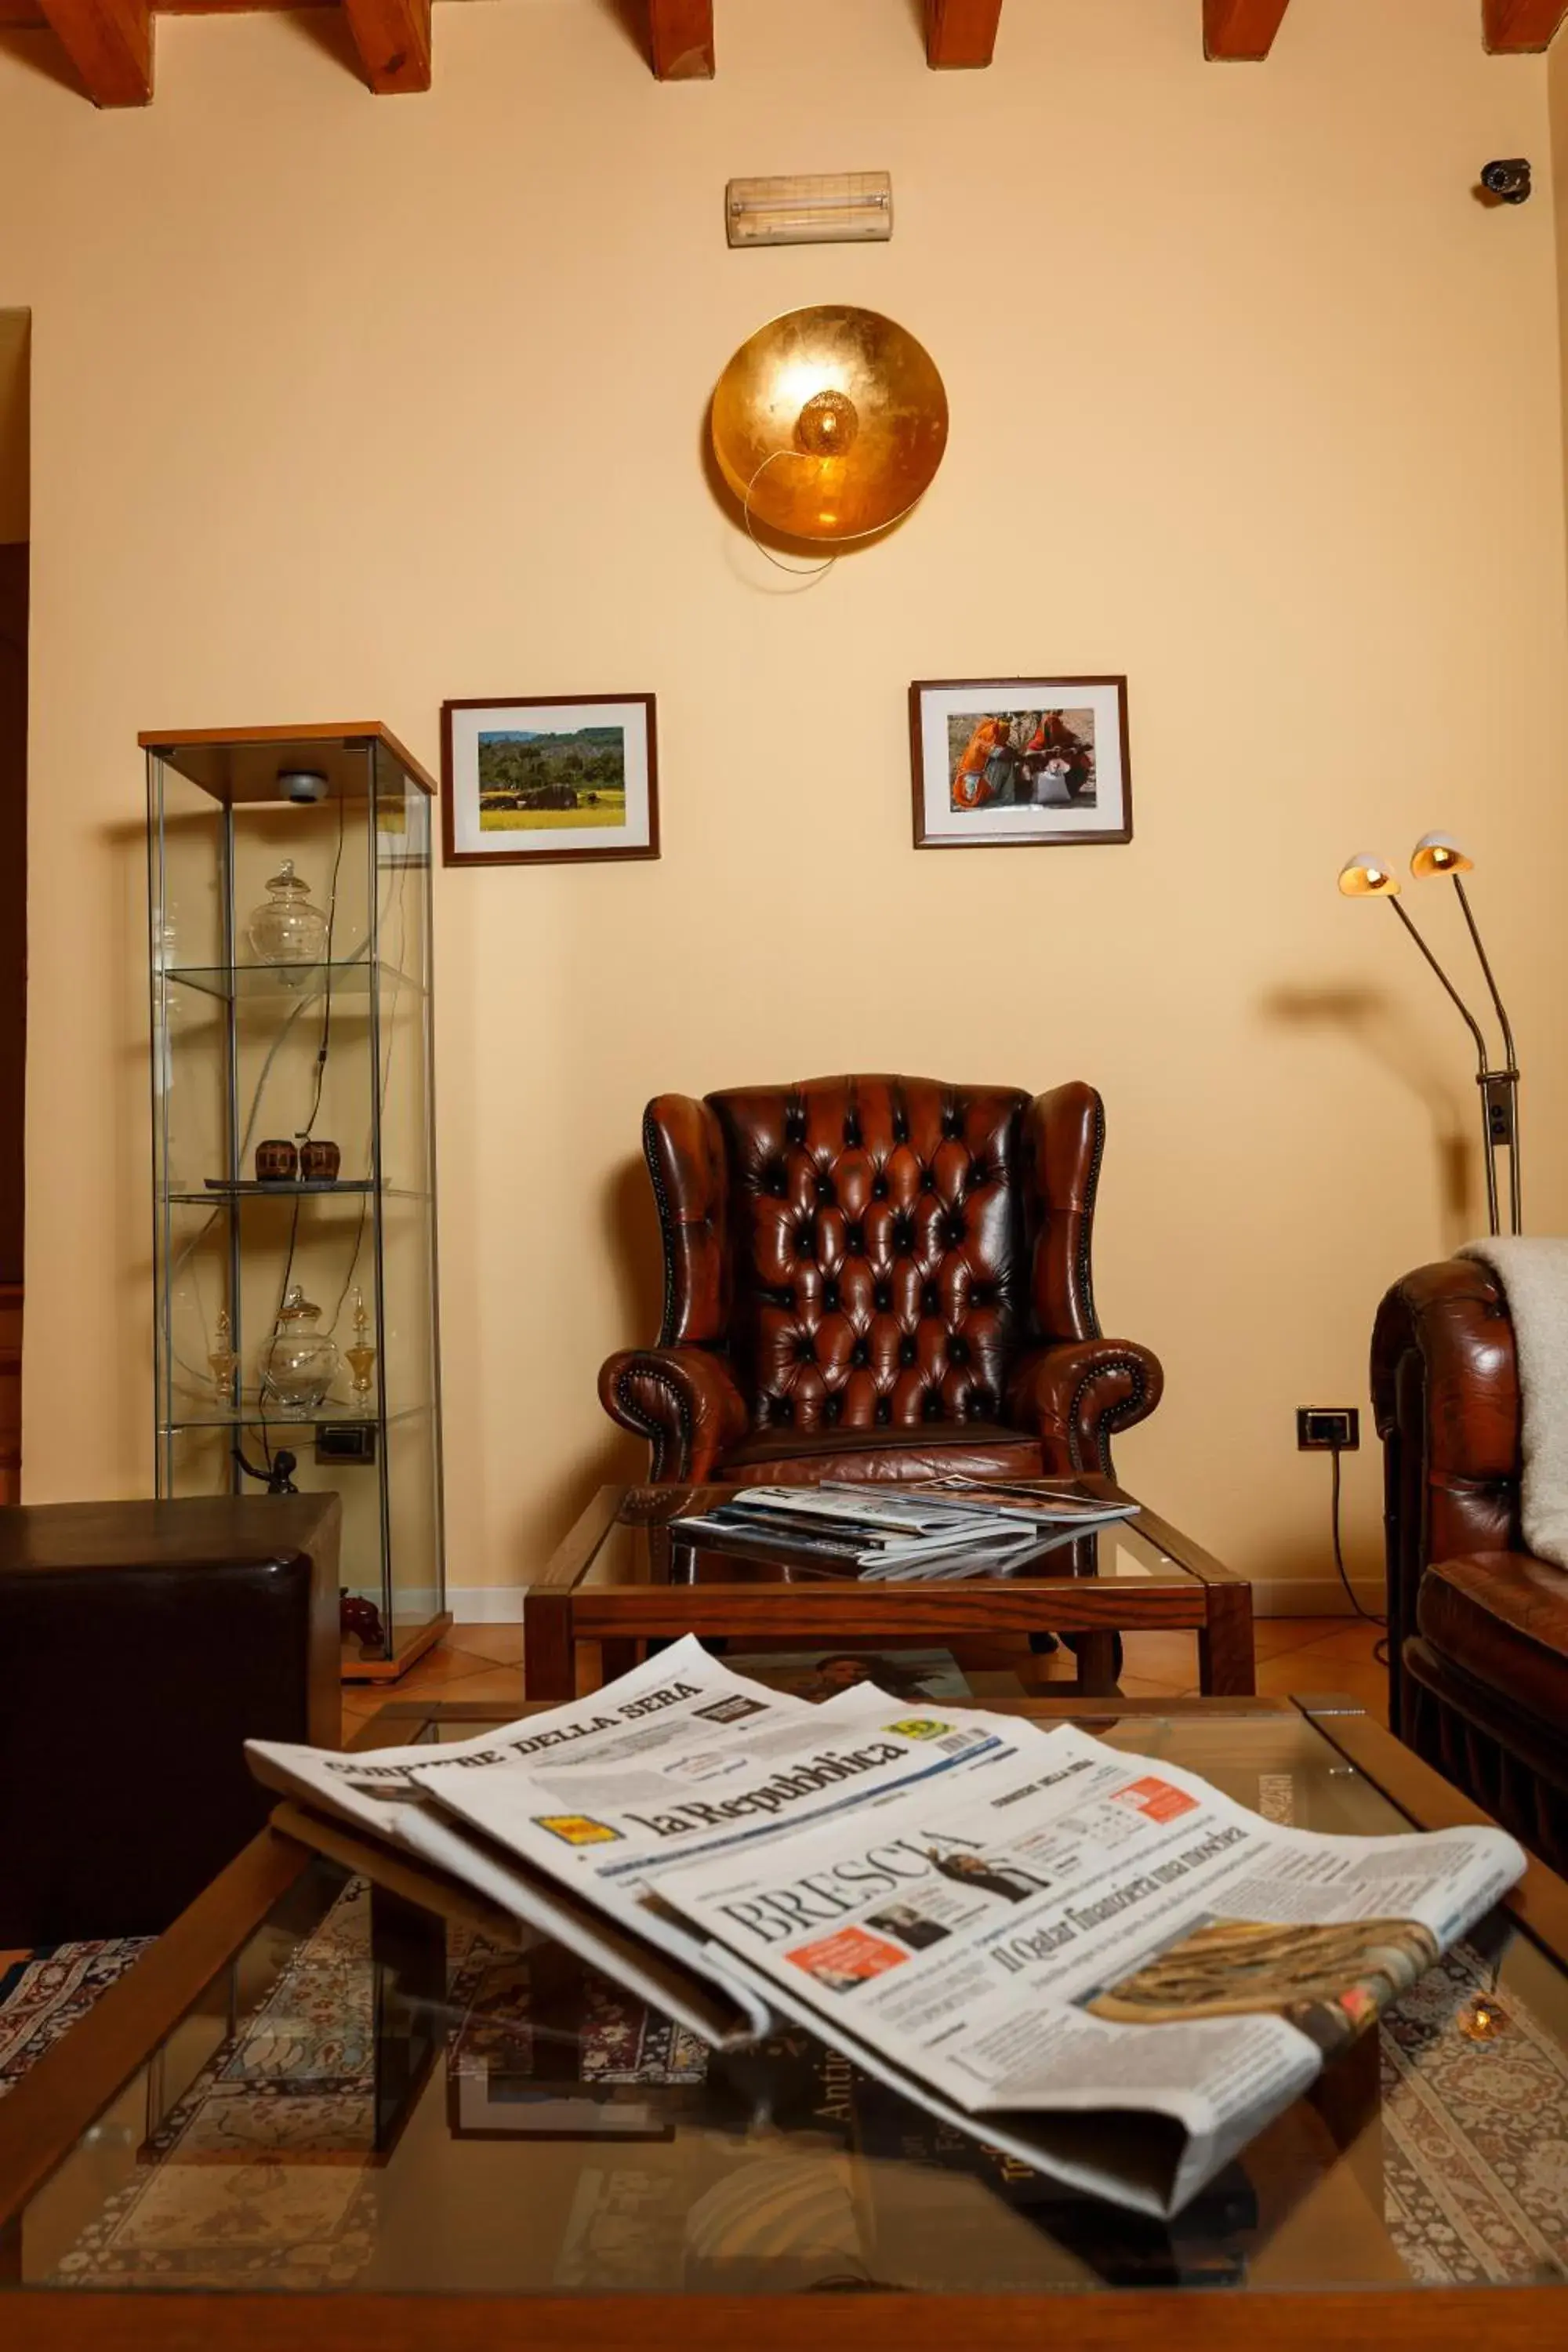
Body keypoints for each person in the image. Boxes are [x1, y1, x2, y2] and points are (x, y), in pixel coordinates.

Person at [951, 716, 1013, 810]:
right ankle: (1006, 798)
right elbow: (1005, 754)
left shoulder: (977, 742)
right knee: (1002, 763)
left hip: (968, 791)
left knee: (998, 760)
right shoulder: (982, 744)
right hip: (974, 792)